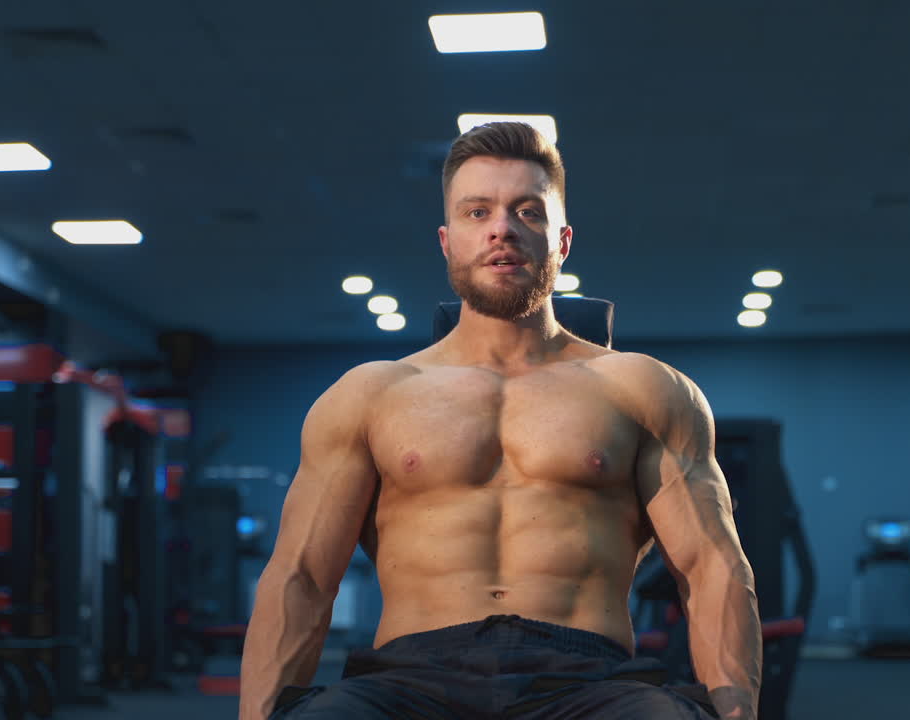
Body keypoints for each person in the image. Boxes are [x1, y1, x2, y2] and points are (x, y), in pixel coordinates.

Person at [239, 122, 761, 720]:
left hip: (589, 681)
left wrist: (738, 714)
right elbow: (302, 576)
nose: (502, 228)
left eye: (528, 211)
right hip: (408, 682)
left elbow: (712, 567)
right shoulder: (370, 394)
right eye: (477, 211)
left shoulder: (643, 388)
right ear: (446, 241)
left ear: (563, 241)